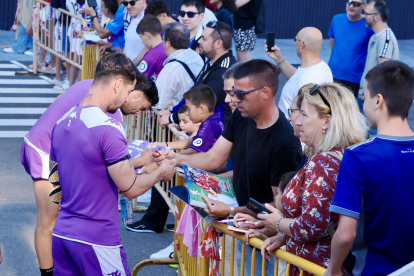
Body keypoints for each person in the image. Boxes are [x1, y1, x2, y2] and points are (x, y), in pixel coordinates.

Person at [154, 59, 302, 274]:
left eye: (240, 94)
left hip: (262, 240)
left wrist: (232, 210)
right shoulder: (241, 118)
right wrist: (176, 158)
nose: (233, 100)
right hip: (237, 228)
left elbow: (276, 205)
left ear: (265, 92)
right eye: (233, 92)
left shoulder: (284, 142)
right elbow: (213, 158)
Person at [20, 54, 159, 276]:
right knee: (46, 223)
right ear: (120, 86)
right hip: (95, 234)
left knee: (49, 223)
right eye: (127, 94)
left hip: (63, 228)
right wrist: (160, 172)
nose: (129, 104)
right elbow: (127, 185)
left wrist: (139, 161)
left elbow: (85, 164)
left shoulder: (75, 106)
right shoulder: (107, 120)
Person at [253, 83, 366, 276]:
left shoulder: (322, 163)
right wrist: (285, 237)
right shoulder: (346, 154)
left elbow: (311, 226)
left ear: (326, 121)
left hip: (316, 268)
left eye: (304, 115)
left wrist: (278, 223)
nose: (297, 122)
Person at [324, 61, 414, 276]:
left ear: (378, 101)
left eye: (364, 97)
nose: (362, 102)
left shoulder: (358, 155)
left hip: (376, 269)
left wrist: (332, 270)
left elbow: (346, 234)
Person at [159, 21, 236, 126]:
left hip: (215, 134)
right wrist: (171, 112)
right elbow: (192, 94)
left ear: (218, 43)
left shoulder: (224, 70)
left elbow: (201, 102)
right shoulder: (212, 62)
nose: (199, 41)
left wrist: (172, 118)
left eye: (204, 39)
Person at [266, 27, 333, 118]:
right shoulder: (322, 67)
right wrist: (279, 58)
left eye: (295, 39)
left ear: (302, 44)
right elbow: (296, 77)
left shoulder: (308, 79)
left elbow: (304, 115)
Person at [155, 85, 224, 152]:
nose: (187, 112)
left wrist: (172, 156)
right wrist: (165, 145)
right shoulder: (211, 121)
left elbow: (193, 150)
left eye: (189, 109)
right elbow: (191, 140)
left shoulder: (209, 125)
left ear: (202, 109)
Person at [328, 0, 374, 97]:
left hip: (355, 79)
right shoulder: (336, 19)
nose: (351, 6)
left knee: (349, 110)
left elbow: (372, 53)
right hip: (333, 74)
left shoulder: (368, 25)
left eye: (356, 4)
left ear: (364, 6)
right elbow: (333, 45)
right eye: (349, 2)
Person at [153, 22, 204, 110]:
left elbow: (159, 106)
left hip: (176, 120)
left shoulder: (169, 71)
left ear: (168, 43)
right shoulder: (196, 57)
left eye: (163, 39)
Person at [136, 15, 168, 81]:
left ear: (147, 35)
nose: (142, 40)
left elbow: (139, 79)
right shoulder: (168, 47)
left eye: (141, 37)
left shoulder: (152, 55)